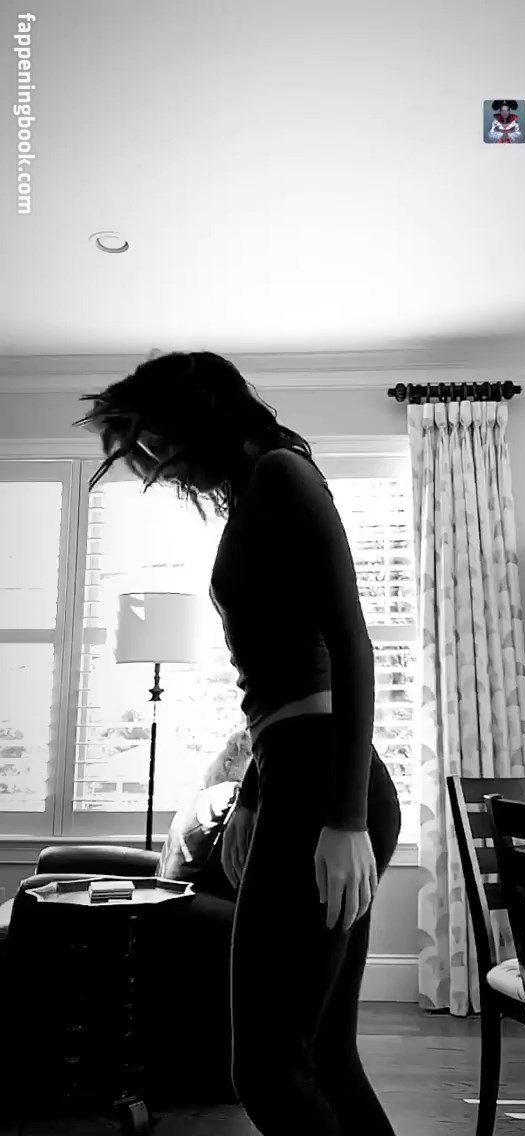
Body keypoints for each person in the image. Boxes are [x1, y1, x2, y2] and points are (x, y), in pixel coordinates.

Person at [73, 350, 401, 1136]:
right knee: (323, 1058)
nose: (150, 460)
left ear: (198, 416)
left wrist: (345, 818)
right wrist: (254, 793)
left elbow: (351, 644)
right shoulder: (260, 488)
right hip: (294, 769)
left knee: (266, 1070)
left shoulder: (283, 474)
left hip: (322, 777)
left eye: (152, 439)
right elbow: (281, 681)